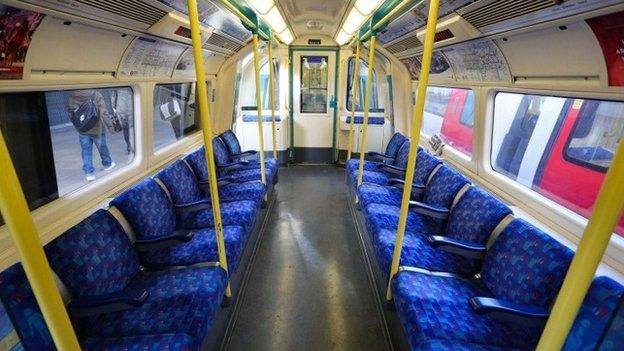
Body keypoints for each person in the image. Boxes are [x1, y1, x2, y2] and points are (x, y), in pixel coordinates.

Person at [68, 90, 115, 181]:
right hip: (97, 128)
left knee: (86, 151)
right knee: (102, 147)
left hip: (83, 130)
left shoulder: (72, 96)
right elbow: (103, 112)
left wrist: (78, 127)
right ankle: (107, 164)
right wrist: (110, 127)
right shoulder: (96, 94)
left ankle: (89, 173)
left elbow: (71, 114)